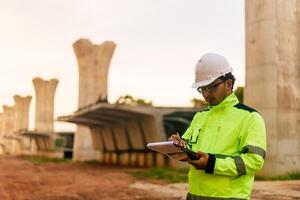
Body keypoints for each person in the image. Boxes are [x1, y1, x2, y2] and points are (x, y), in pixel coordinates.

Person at [169, 53, 267, 200]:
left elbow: (254, 161)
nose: (206, 94)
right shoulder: (200, 117)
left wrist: (212, 163)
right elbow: (189, 149)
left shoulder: (250, 117)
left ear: (228, 84)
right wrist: (179, 146)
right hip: (195, 195)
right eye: (202, 89)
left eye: (211, 87)